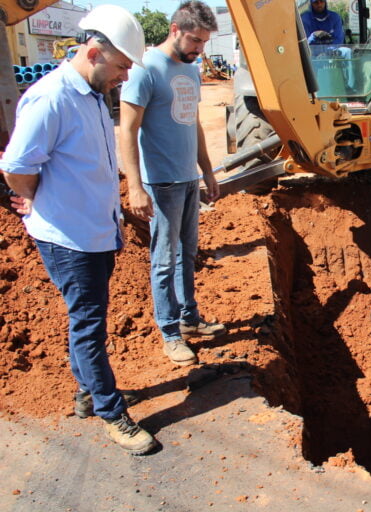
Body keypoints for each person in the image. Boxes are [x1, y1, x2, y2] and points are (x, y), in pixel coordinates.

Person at [0, 5, 156, 455]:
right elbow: (16, 166)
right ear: (93, 53)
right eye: (122, 66)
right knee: (88, 324)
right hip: (69, 237)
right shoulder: (51, 98)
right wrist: (36, 199)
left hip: (96, 230)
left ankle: (88, 392)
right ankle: (111, 411)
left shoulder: (91, 95)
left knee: (87, 319)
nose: (126, 76)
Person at [120, 1, 225, 367]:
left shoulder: (191, 71)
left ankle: (189, 318)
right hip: (161, 183)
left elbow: (193, 122)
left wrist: (207, 171)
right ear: (175, 30)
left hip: (188, 179)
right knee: (163, 261)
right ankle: (169, 332)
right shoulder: (145, 69)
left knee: (187, 254)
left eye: (204, 42)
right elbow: (128, 130)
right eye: (195, 40)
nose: (200, 49)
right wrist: (135, 186)